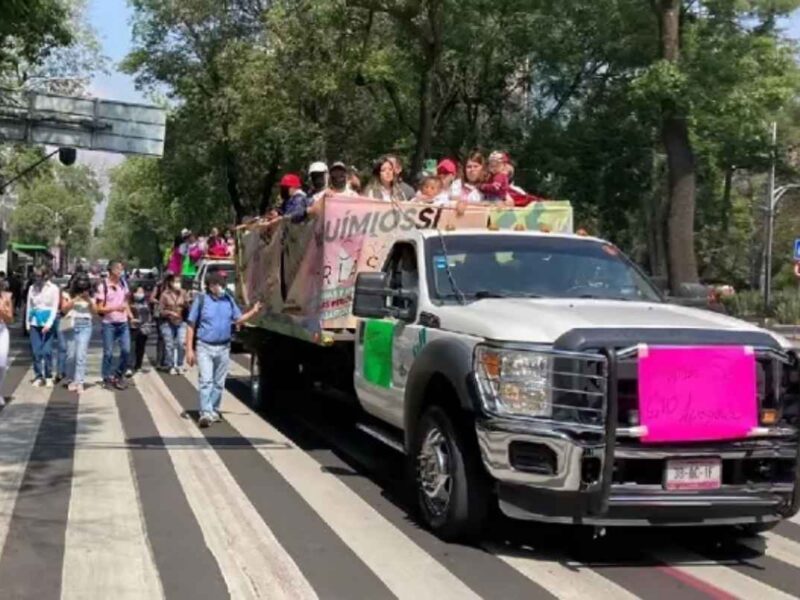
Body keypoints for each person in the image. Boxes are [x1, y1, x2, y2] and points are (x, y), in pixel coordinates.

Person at [185, 272, 263, 428]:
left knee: (219, 382)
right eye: (217, 284)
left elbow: (237, 319)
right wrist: (189, 349)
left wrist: (253, 311)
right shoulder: (201, 300)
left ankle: (213, 410)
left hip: (223, 347)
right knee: (206, 381)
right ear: (210, 285)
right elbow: (191, 325)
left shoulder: (228, 300)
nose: (220, 287)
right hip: (205, 346)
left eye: (222, 284)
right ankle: (205, 413)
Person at [95, 260, 132, 390]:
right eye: (118, 269)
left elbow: (125, 302)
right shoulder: (103, 286)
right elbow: (99, 309)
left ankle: (118, 375)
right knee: (109, 353)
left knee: (126, 350)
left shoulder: (123, 284)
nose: (120, 272)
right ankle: (106, 377)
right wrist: (115, 308)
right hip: (109, 324)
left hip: (123, 323)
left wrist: (131, 316)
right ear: (111, 270)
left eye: (121, 269)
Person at [25, 265, 60, 386]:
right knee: (36, 351)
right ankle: (38, 375)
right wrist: (28, 323)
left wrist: (49, 324)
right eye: (35, 276)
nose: (36, 278)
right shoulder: (31, 288)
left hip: (48, 322)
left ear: (45, 275)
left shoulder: (54, 288)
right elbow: (29, 306)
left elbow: (55, 307)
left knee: (47, 351)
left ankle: (48, 375)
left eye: (39, 275)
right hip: (35, 321)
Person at [63, 273, 95, 394]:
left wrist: (89, 300)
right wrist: (76, 298)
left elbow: (95, 312)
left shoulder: (90, 295)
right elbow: (64, 309)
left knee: (81, 355)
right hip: (69, 323)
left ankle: (79, 381)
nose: (83, 289)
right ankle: (70, 378)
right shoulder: (67, 294)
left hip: (85, 325)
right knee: (71, 354)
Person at [158, 273, 189, 375]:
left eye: (179, 282)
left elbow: (188, 306)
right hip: (167, 322)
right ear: (170, 283)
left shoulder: (184, 293)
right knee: (169, 344)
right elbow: (160, 310)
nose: (177, 284)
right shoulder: (164, 294)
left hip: (181, 321)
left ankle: (180, 364)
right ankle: (170, 365)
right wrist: (170, 312)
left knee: (181, 343)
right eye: (175, 282)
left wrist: (187, 304)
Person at [129, 285, 153, 374]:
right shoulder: (129, 303)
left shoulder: (146, 303)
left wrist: (148, 326)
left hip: (144, 328)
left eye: (142, 292)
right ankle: (129, 366)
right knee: (132, 347)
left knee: (141, 348)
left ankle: (138, 365)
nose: (140, 294)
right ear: (134, 293)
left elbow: (149, 315)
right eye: (138, 292)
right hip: (132, 328)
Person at [0, 280, 13, 406]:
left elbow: (10, 319)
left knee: (2, 364)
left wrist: (2, 311)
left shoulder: (6, 298)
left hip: (2, 331)